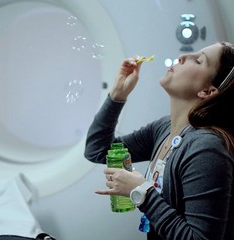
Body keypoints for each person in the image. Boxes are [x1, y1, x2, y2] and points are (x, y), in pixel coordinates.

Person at [84, 41, 234, 240]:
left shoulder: (206, 148)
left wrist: (142, 192)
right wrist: (118, 94)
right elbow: (97, 149)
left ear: (207, 91)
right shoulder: (164, 128)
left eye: (198, 60)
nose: (183, 56)